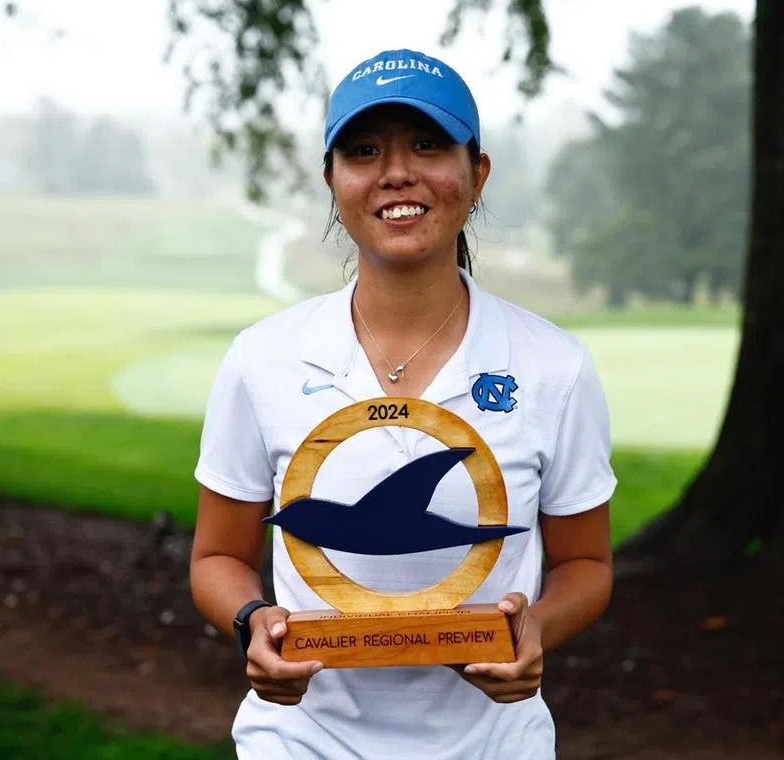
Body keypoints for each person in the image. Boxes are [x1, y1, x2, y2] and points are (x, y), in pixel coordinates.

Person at [189, 47, 617, 760]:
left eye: (427, 145)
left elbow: (588, 566)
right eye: (363, 151)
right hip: (301, 742)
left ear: (477, 174)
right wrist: (252, 620)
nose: (395, 172)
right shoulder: (262, 359)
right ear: (332, 181)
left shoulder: (554, 366)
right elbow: (217, 555)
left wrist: (536, 629)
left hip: (495, 747)